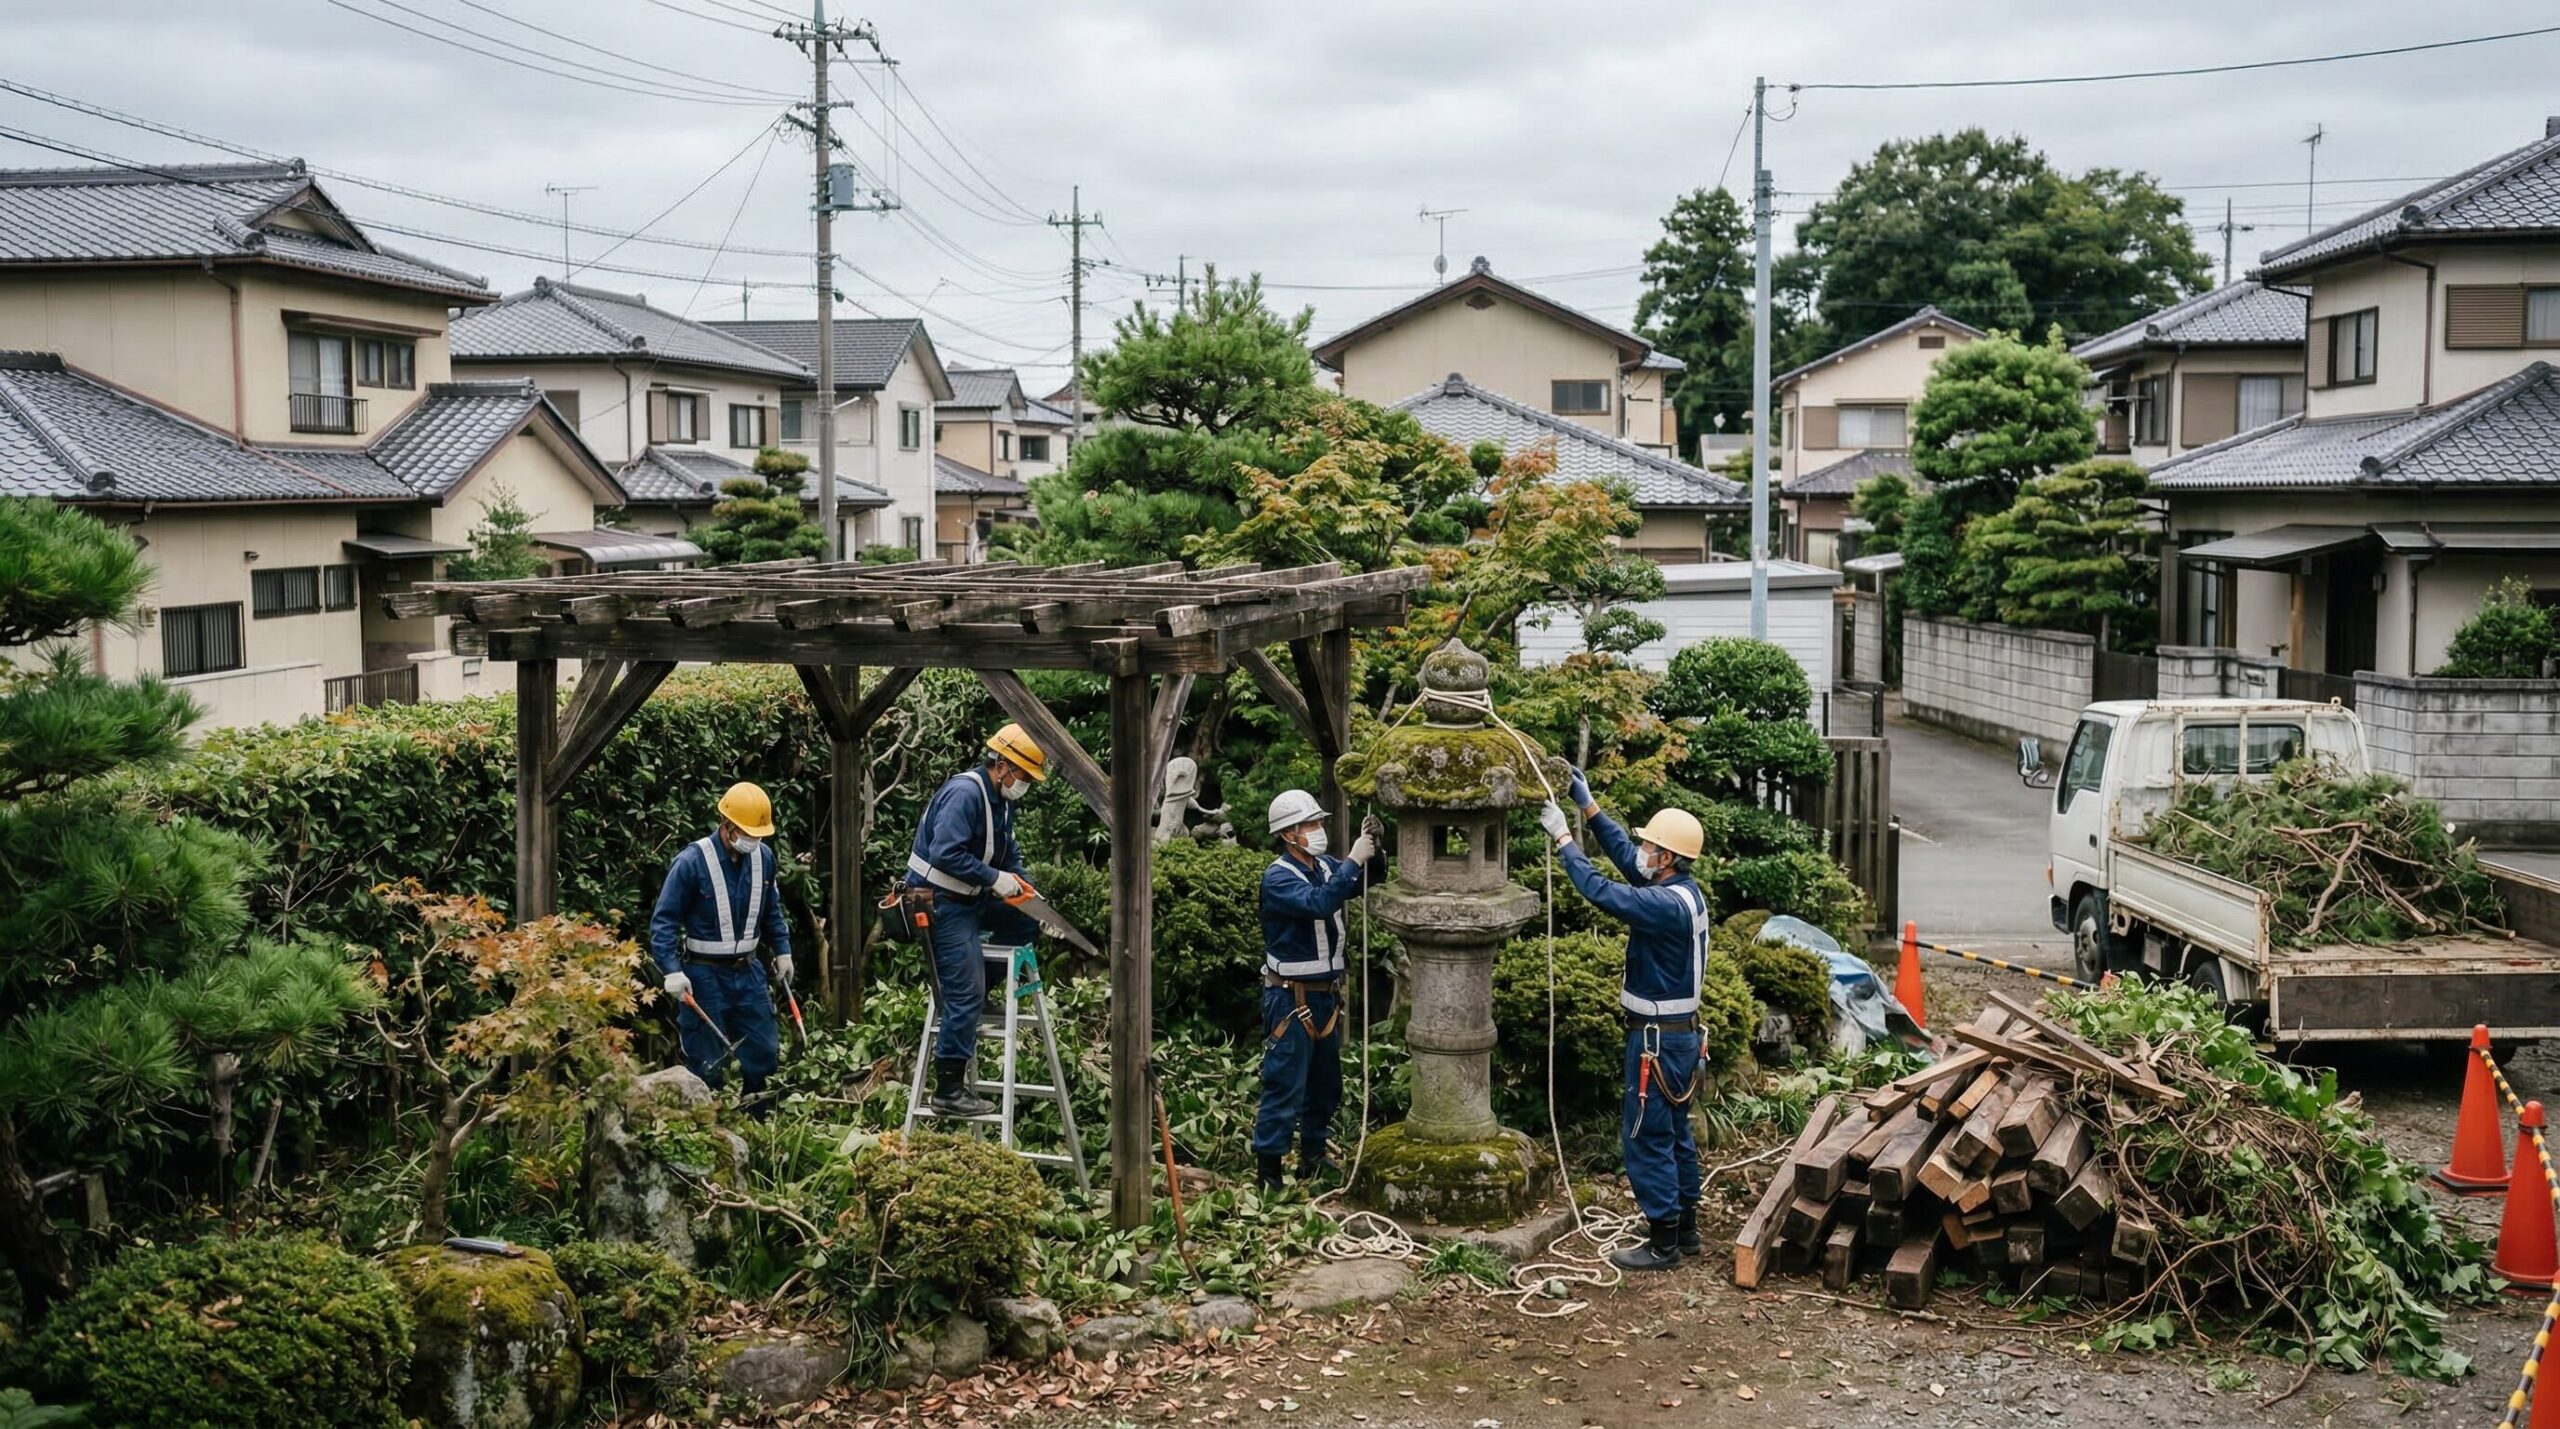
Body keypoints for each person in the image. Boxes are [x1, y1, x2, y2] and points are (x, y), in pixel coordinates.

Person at [1540, 770, 1710, 1271]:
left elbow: (1602, 892)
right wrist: (1589, 807)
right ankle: (1685, 1228)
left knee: (1646, 1135)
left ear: (1670, 858)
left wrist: (1565, 840)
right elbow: (1623, 858)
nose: (1645, 852)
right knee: (1675, 1132)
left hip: (1656, 1042)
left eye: (1652, 848)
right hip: (1678, 1039)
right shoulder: (1681, 892)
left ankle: (1662, 1243)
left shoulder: (1663, 906)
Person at [906, 723, 1048, 1118]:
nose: (1024, 784)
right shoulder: (965, 793)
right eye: (1022, 775)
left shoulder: (1000, 802)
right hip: (941, 905)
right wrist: (994, 879)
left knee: (1023, 923)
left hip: (970, 899)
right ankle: (949, 1089)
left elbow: (1007, 854)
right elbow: (945, 853)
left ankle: (982, 988)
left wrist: (1024, 888)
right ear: (1002, 765)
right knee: (963, 994)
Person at [1254, 789, 1384, 1193]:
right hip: (1291, 998)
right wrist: (1354, 858)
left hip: (1325, 996)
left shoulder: (1325, 866)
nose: (1319, 830)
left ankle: (1313, 1157)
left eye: (1319, 823)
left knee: (1325, 1085)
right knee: (1284, 1086)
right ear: (1289, 833)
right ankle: (1269, 1175)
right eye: (1311, 825)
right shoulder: (1278, 878)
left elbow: (1366, 880)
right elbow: (1319, 904)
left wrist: (1375, 850)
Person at [650, 782, 791, 1098]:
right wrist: (671, 971)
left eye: (758, 835)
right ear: (728, 826)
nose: (753, 841)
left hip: (750, 973)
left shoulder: (764, 858)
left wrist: (783, 951)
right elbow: (664, 923)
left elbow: (771, 912)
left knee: (764, 1054)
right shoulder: (691, 862)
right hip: (704, 976)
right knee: (706, 1064)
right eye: (748, 834)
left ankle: (756, 1125)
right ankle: (710, 1134)